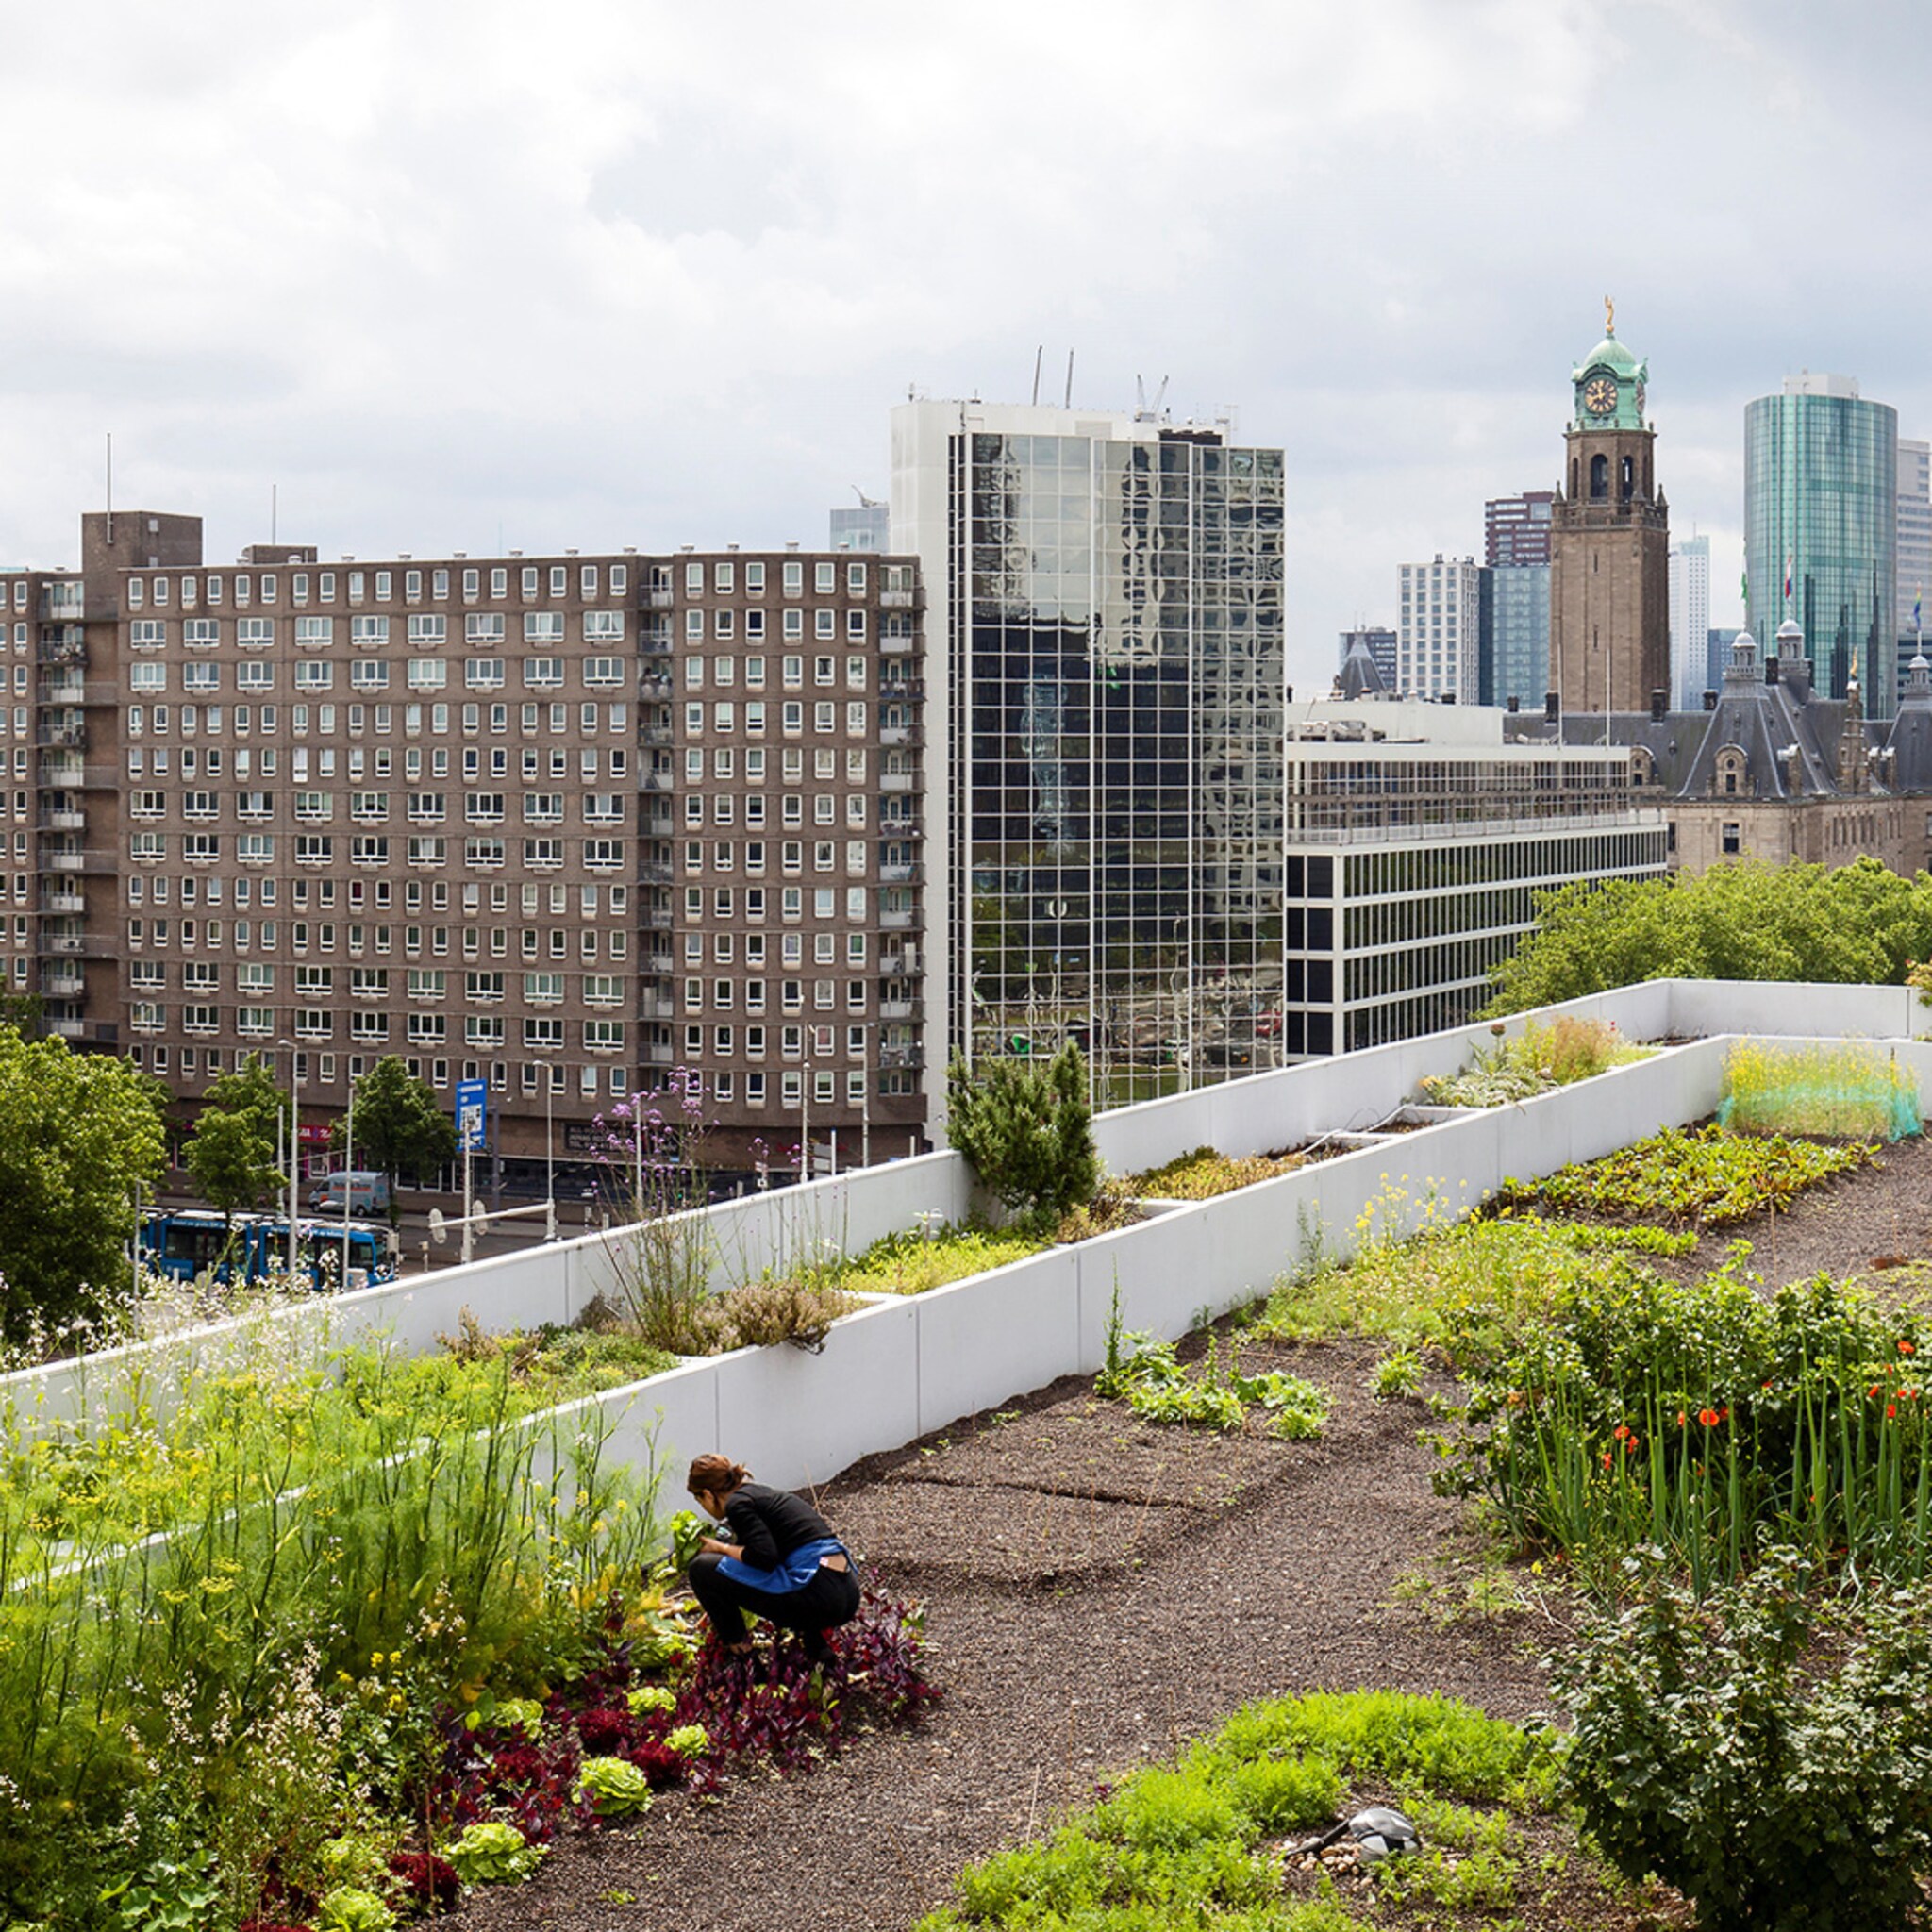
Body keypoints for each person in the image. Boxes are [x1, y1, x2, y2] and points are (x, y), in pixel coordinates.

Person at [682, 1453, 859, 1666]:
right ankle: (817, 1649)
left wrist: (720, 1548)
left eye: (699, 1500)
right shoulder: (756, 1494)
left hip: (819, 1597)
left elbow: (763, 1557)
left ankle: (741, 1656)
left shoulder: (736, 1505)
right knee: (785, 1567)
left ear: (707, 1494)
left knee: (702, 1569)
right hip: (846, 1593)